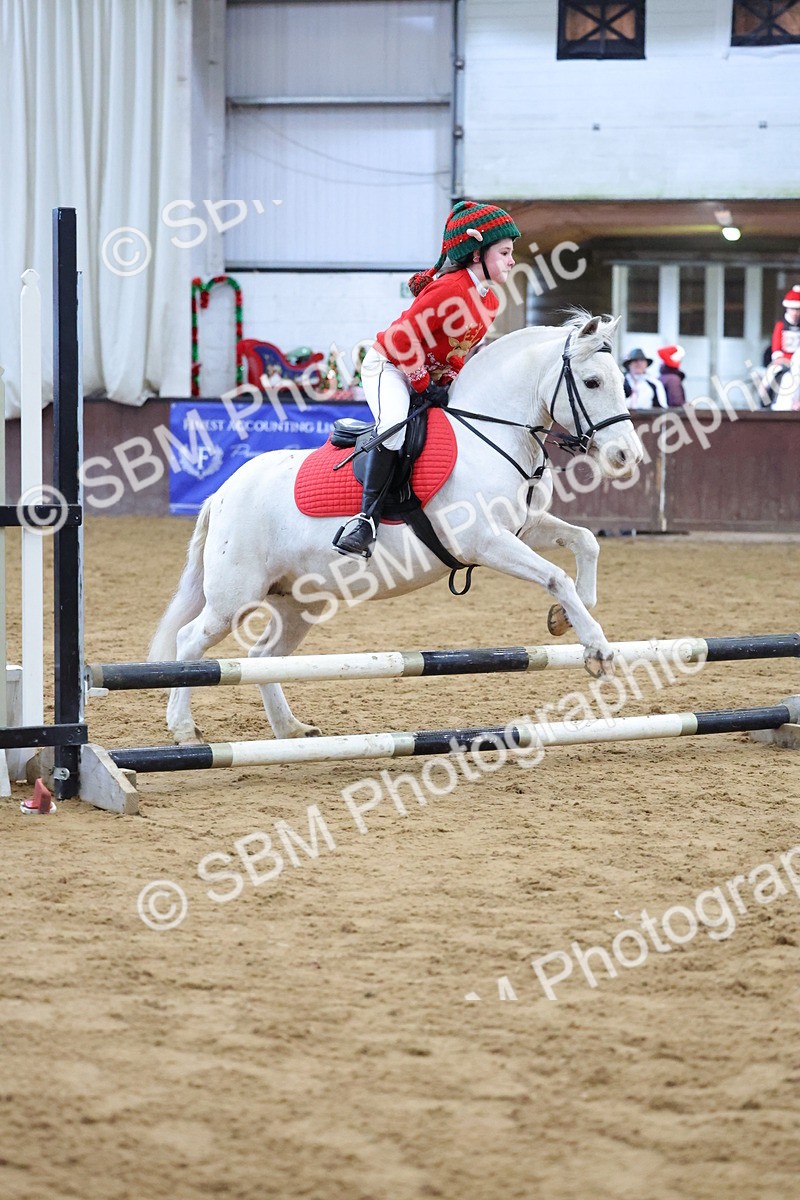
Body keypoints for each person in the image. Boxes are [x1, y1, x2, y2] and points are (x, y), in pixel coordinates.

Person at [333, 200, 520, 559]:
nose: (512, 260)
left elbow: (457, 351)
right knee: (394, 426)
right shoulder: (449, 288)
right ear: (477, 254)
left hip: (421, 374)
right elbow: (402, 339)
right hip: (387, 365)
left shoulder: (490, 301)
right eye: (505, 252)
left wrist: (448, 380)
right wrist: (423, 384)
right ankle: (364, 520)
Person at [766, 285, 800, 410]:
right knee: (768, 378)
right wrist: (784, 360)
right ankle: (766, 401)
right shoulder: (781, 325)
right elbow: (776, 347)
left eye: (798, 310)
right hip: (783, 361)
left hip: (798, 362)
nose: (796, 313)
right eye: (793, 309)